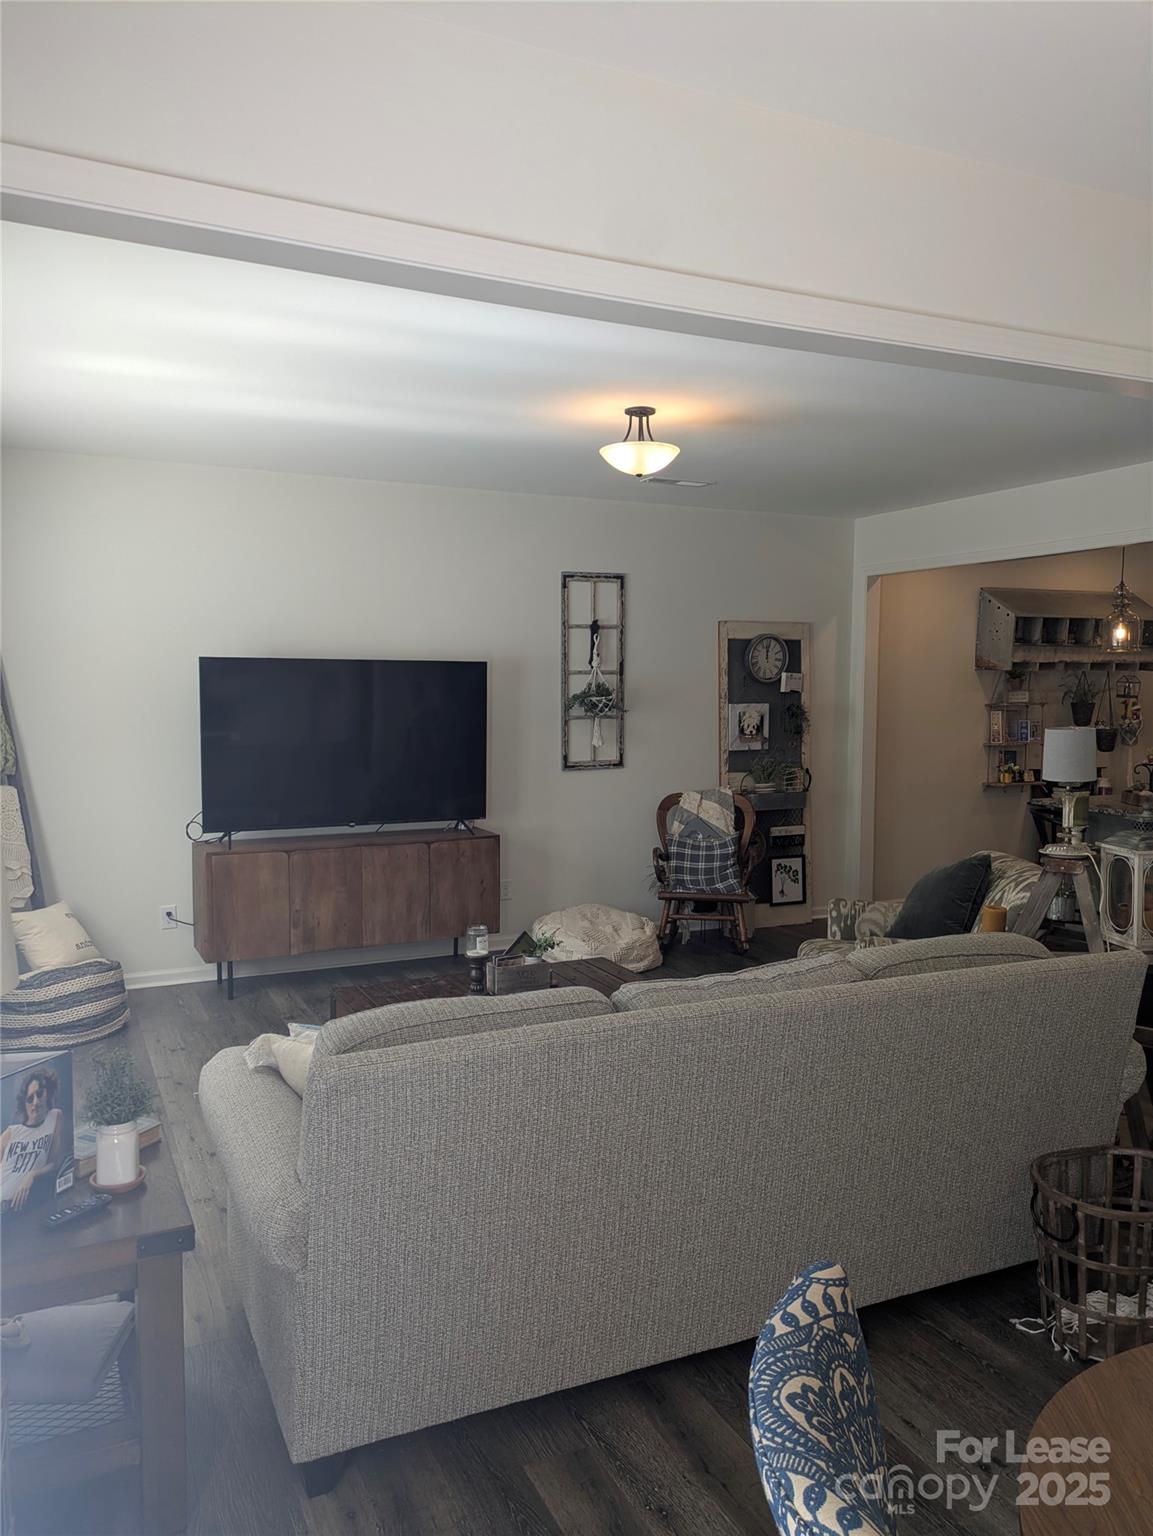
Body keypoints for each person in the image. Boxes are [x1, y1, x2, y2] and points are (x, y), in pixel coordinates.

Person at [0, 1067, 64, 1212]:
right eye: (29, 1098)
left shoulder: (55, 1117)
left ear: (47, 1093)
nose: (35, 1102)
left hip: (32, 1203)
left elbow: (54, 1163)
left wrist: (31, 1175)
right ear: (24, 1103)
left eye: (39, 1094)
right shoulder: (10, 1134)